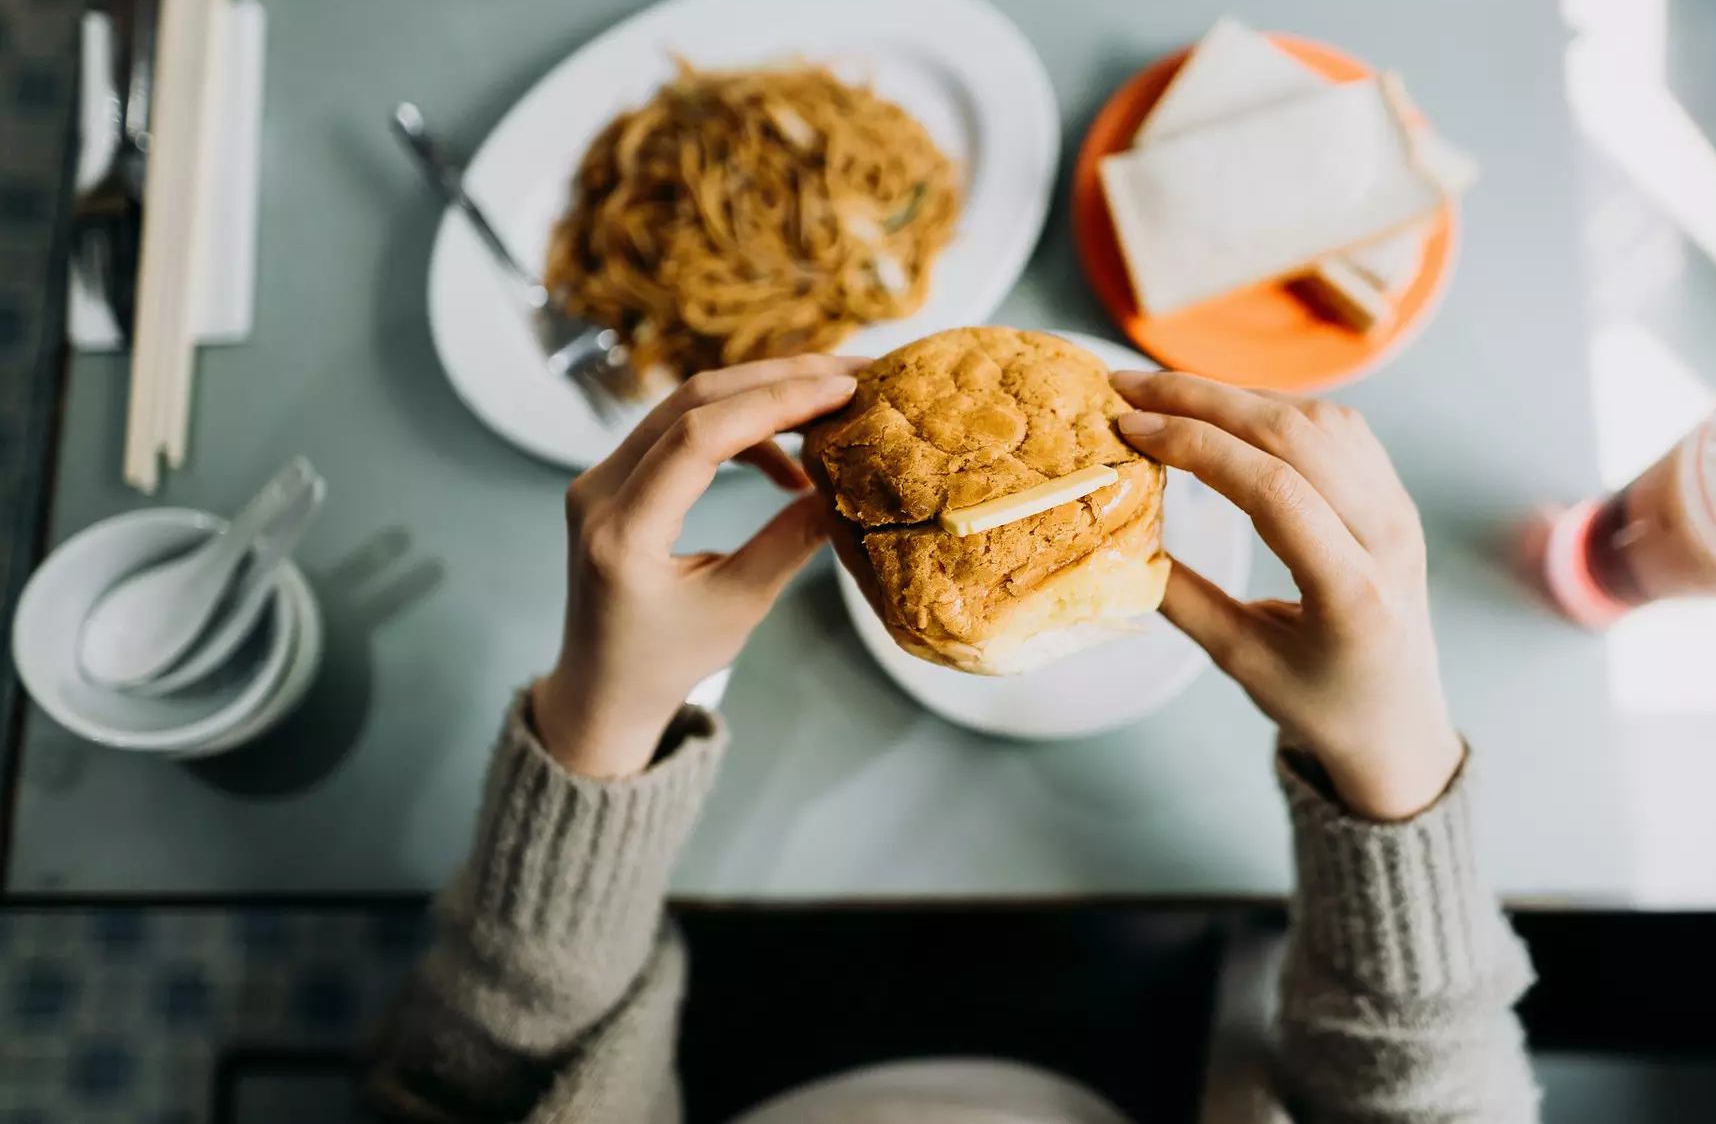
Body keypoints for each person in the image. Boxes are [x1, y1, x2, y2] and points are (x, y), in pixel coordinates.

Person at [363, 354, 1539, 1123]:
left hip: (720, 1035)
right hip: (1167, 1039)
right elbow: (1433, 1102)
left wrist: (596, 729)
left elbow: (472, 1089)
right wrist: (1392, 767)